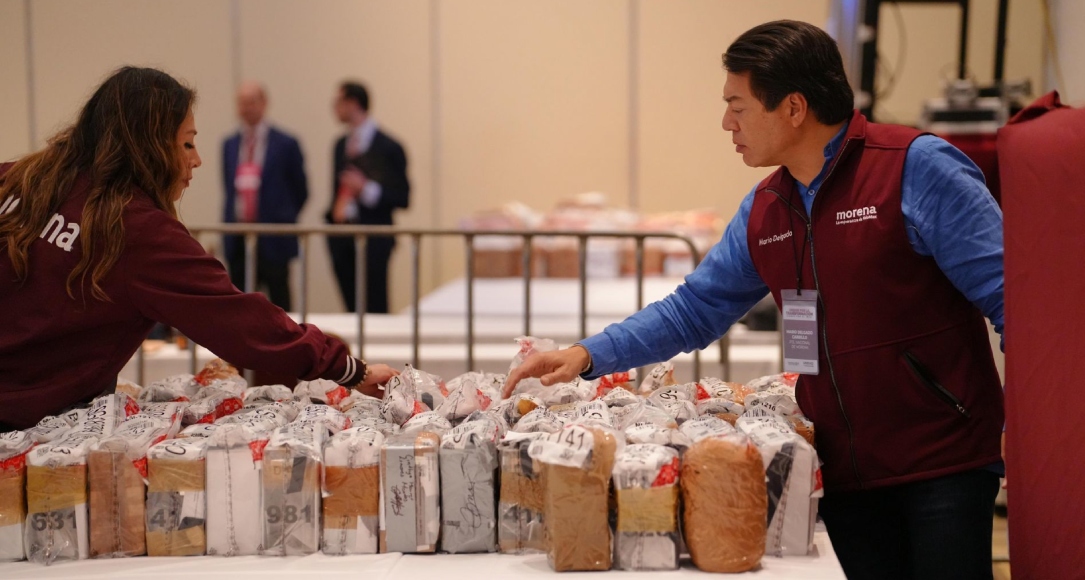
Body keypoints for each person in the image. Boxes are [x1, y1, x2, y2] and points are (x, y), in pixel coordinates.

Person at [505, 20, 1004, 580]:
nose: (726, 124)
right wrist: (588, 355)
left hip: (940, 464)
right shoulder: (767, 208)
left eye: (737, 107)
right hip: (840, 471)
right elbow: (694, 310)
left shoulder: (916, 167)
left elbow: (1014, 299)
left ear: (793, 108)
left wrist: (1045, 436)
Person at [0, 67, 397, 432]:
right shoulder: (137, 231)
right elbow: (241, 322)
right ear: (150, 147)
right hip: (27, 421)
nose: (196, 160)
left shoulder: (18, 180)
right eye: (187, 144)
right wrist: (350, 370)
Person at [221, 80, 309, 311]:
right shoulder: (229, 144)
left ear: (264, 103)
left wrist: (281, 217)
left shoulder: (286, 144)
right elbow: (228, 188)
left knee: (280, 300)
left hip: (274, 237)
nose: (246, 108)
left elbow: (301, 191)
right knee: (239, 303)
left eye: (251, 102)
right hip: (239, 237)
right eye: (241, 103)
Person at [325, 81, 410, 313]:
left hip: (374, 239)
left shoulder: (389, 146)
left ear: (353, 103)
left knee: (375, 307)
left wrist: (366, 189)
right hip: (343, 237)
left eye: (338, 102)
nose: (334, 108)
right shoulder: (340, 145)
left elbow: (403, 196)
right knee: (351, 308)